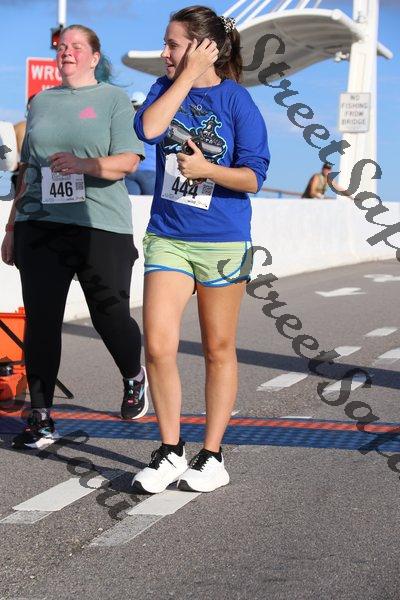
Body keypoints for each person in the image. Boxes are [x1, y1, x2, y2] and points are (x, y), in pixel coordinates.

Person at [132, 6, 270, 493]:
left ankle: (212, 456)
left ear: (202, 46)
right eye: (166, 44)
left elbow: (253, 176)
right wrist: (186, 76)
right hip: (168, 237)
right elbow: (149, 130)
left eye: (173, 44)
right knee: (158, 346)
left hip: (222, 242)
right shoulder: (163, 90)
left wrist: (209, 171)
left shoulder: (237, 101)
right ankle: (171, 450)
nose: (164, 53)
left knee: (217, 348)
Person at [1, 24, 148, 450]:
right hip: (40, 224)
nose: (67, 52)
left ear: (94, 57)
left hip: (100, 224)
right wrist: (11, 226)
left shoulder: (112, 99)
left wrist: (83, 166)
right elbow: (28, 170)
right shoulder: (41, 103)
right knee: (42, 320)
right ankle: (42, 417)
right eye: (62, 46)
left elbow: (130, 161)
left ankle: (133, 375)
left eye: (77, 47)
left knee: (109, 315)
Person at [124, 92, 157, 196]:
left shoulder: (123, 123)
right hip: (150, 173)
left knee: (132, 204)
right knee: (149, 205)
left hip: (129, 171)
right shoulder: (155, 123)